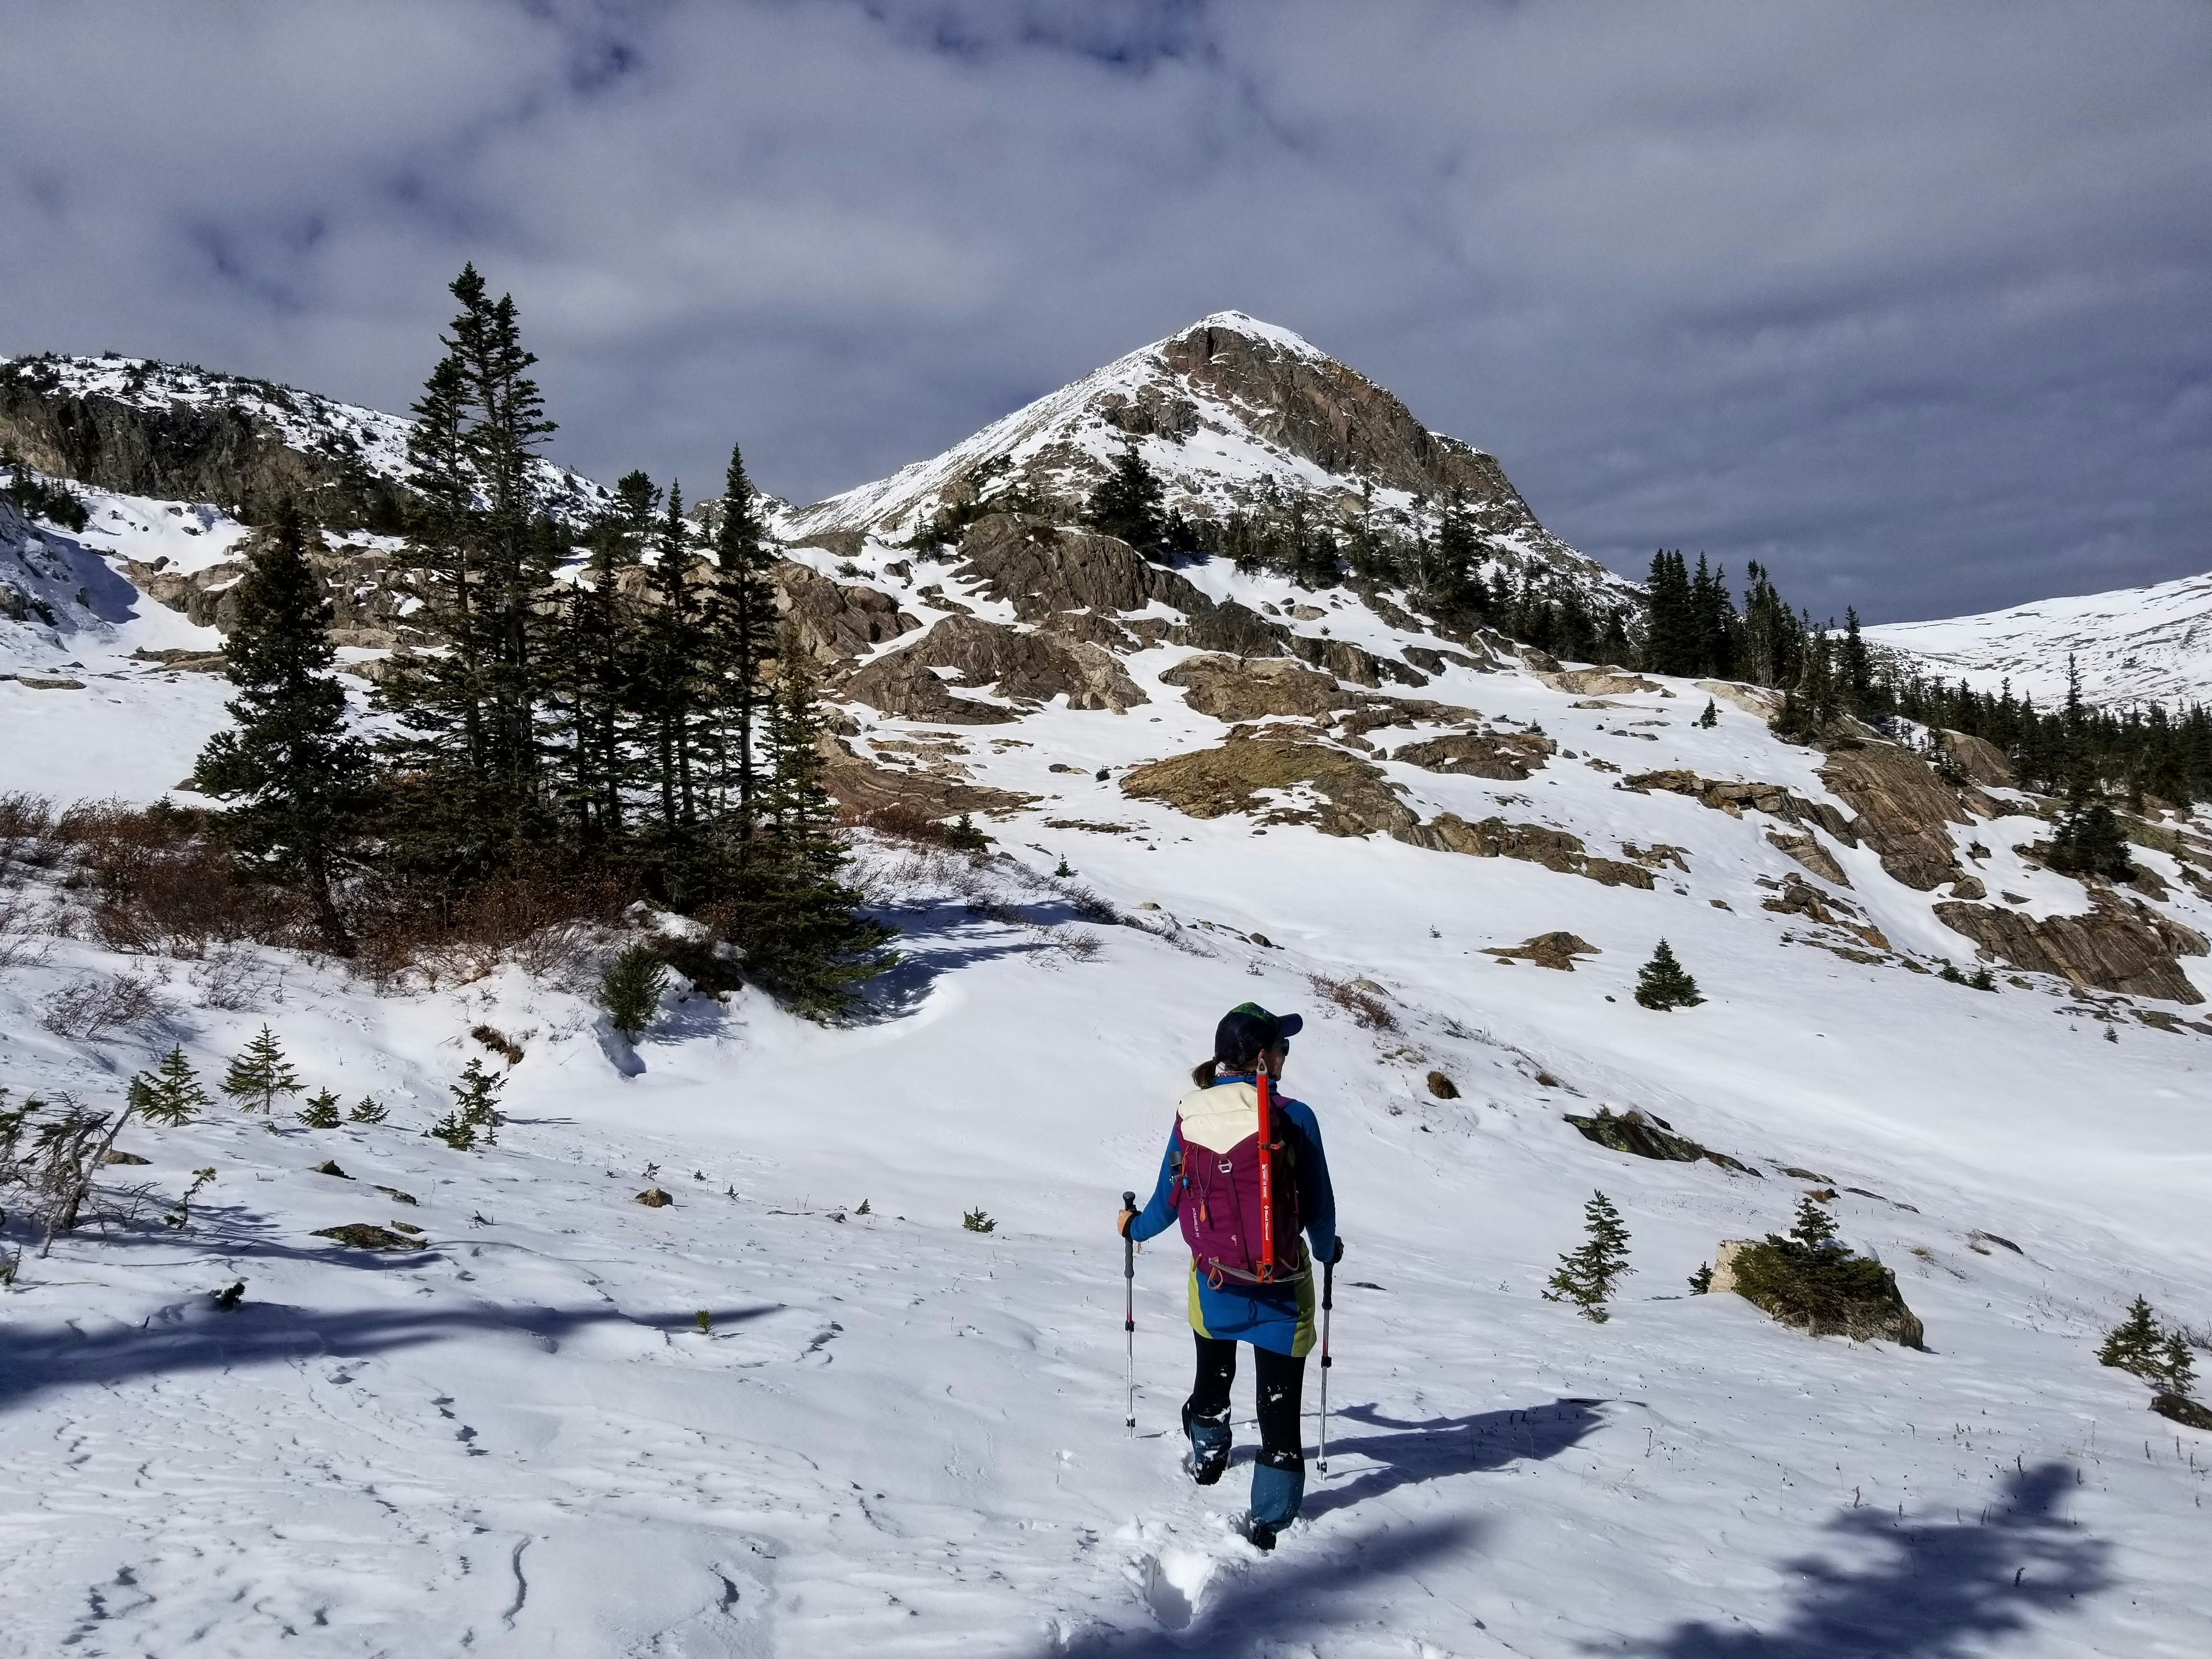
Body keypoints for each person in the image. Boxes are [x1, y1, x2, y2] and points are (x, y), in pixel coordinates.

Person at [1119, 1001, 1339, 1550]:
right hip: (1284, 1291)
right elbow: (1319, 1209)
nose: (1287, 1056)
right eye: (1283, 1047)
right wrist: (1327, 1249)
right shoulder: (1296, 1116)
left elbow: (1166, 1206)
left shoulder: (1191, 1115)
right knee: (1280, 1405)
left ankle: (1209, 1459)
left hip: (1213, 1285)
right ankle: (1269, 1521)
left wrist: (1132, 1230)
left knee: (1212, 1377)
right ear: (1263, 1057)